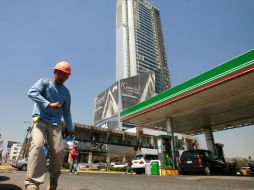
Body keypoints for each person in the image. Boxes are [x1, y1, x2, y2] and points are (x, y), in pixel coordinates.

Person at [25, 61, 74, 190]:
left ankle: (53, 181)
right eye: (61, 73)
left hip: (56, 124)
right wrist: (48, 104)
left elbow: (67, 112)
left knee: (59, 152)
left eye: (66, 75)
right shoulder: (44, 83)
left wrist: (70, 128)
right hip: (39, 120)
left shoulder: (66, 93)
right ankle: (32, 183)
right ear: (54, 72)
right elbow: (31, 92)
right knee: (37, 145)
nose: (63, 77)